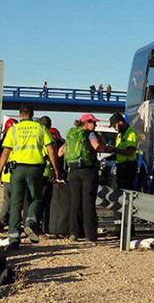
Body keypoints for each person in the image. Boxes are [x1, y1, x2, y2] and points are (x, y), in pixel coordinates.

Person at [0, 105, 60, 249]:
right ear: (33, 115)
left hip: (17, 170)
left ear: (20, 115)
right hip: (35, 170)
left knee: (15, 204)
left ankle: (13, 238)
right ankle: (30, 223)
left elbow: (5, 153)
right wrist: (55, 169)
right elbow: (51, 150)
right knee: (36, 198)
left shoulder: (13, 129)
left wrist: (0, 170)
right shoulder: (41, 128)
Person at [60, 113, 114, 242]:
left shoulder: (72, 134)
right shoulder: (90, 134)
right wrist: (107, 146)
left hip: (73, 171)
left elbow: (60, 152)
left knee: (75, 202)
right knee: (88, 202)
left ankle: (74, 233)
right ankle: (90, 234)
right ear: (86, 123)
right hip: (88, 171)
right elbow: (97, 147)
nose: (95, 125)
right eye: (93, 123)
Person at [108, 113, 137, 222]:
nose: (115, 129)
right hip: (121, 166)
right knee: (119, 195)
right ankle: (119, 222)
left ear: (120, 122)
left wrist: (114, 150)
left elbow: (130, 151)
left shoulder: (130, 133)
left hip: (128, 167)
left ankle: (128, 225)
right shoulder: (120, 135)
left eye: (114, 126)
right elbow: (119, 151)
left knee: (126, 196)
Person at [0, 119, 18, 229]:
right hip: (11, 174)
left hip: (7, 174)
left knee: (9, 200)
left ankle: (8, 221)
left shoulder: (4, 141)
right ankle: (2, 220)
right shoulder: (12, 141)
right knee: (10, 200)